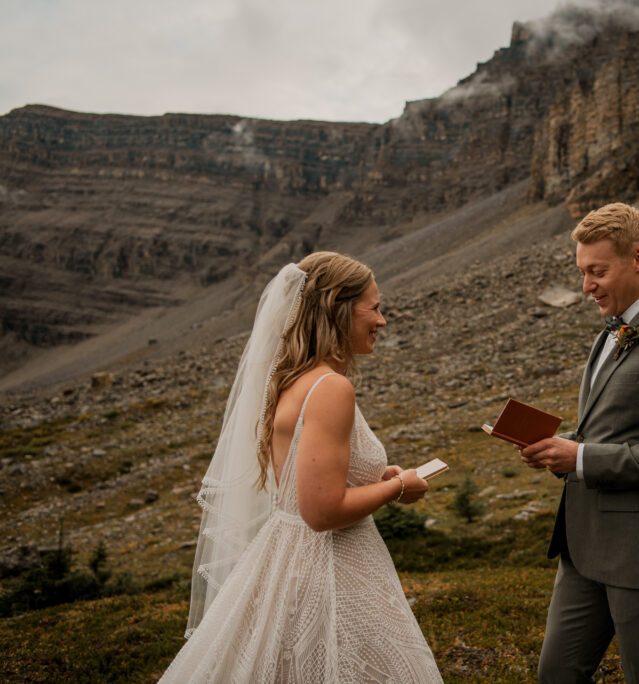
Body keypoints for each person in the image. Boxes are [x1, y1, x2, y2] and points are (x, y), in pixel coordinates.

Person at [160, 252, 442, 682]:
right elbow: (321, 511)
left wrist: (372, 479)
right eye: (375, 307)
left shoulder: (290, 379)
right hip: (328, 570)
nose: (382, 321)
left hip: (286, 561)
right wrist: (399, 487)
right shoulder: (331, 388)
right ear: (337, 309)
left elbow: (304, 481)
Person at [521, 203, 639, 683]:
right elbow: (615, 431)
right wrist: (560, 447)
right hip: (582, 549)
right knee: (556, 675)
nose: (586, 285)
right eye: (583, 272)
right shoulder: (609, 332)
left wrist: (581, 458)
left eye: (597, 271)